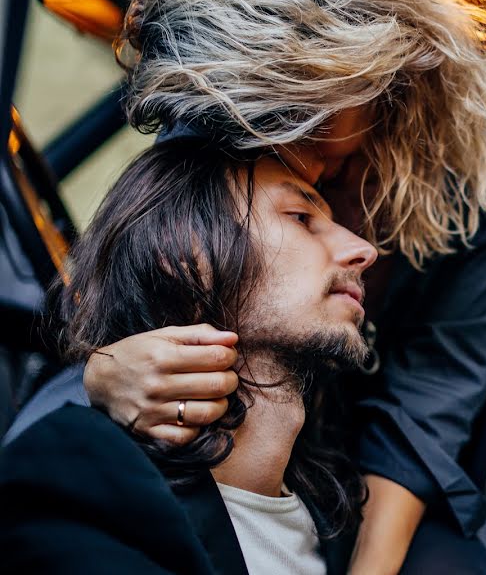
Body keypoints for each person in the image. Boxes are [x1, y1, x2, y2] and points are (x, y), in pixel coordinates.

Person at [11, 0, 486, 572]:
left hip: (362, 463)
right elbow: (149, 270)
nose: (293, 157)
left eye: (313, 130)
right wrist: (102, 374)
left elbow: (431, 393)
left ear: (372, 68)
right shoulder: (224, 99)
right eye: (265, 143)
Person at [0, 140, 378, 574]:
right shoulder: (74, 486)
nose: (363, 250)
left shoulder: (336, 521)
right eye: (302, 218)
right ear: (186, 258)